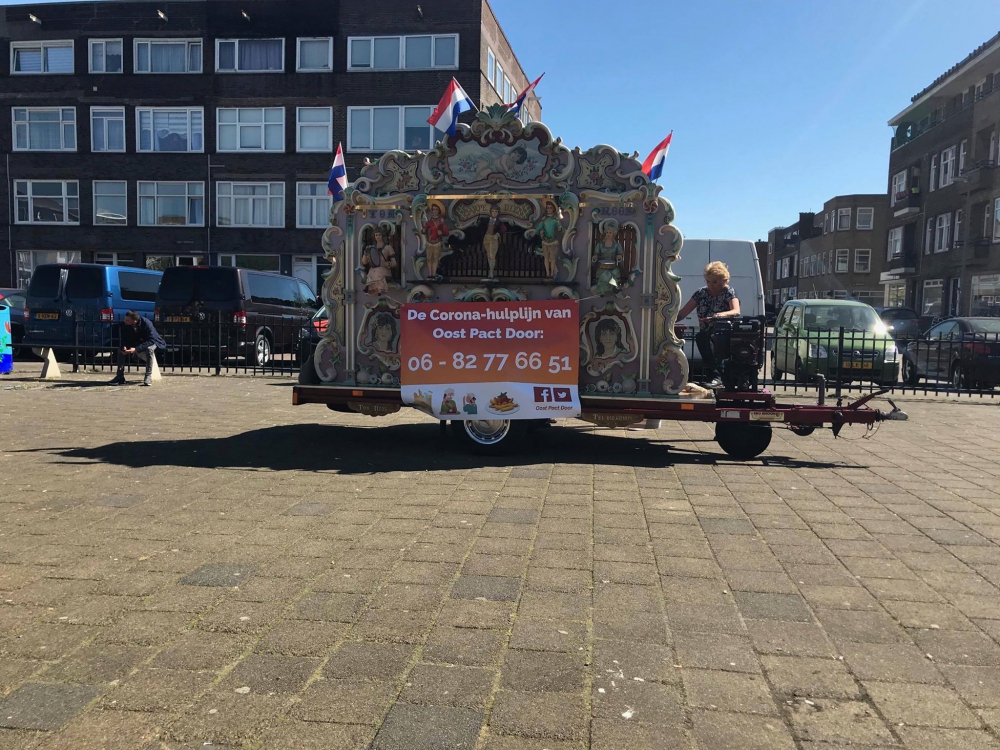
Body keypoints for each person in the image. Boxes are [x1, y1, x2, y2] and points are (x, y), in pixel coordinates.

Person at [676, 261, 741, 388]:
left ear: (724, 280)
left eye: (715, 282)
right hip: (706, 333)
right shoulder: (701, 293)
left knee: (715, 341)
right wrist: (667, 320)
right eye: (708, 281)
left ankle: (720, 377)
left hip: (724, 333)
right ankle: (714, 377)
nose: (710, 285)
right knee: (702, 337)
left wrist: (719, 315)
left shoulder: (729, 292)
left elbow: (736, 310)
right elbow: (683, 313)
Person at [109, 311, 166, 386]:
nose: (125, 321)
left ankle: (148, 376)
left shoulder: (146, 323)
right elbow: (125, 338)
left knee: (149, 349)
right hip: (137, 342)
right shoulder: (126, 325)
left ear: (134, 320)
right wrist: (124, 347)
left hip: (153, 342)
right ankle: (120, 377)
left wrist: (136, 349)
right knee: (120, 350)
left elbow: (151, 340)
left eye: (127, 320)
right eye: (125, 319)